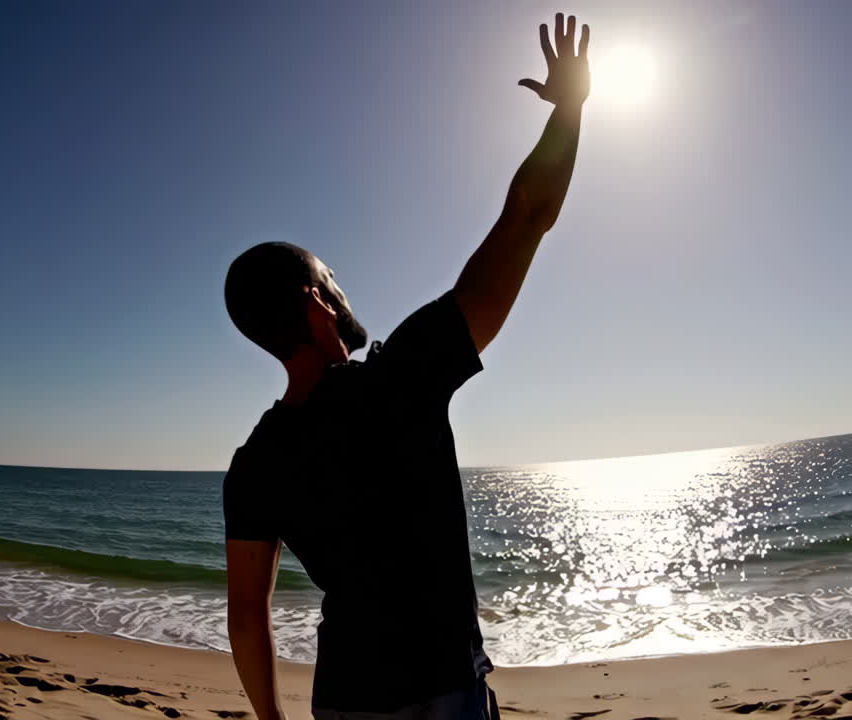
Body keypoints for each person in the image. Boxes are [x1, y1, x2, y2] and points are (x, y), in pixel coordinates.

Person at [222, 13, 590, 720]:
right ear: (315, 301)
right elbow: (527, 215)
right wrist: (570, 109)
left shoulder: (254, 463)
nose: (343, 290)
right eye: (333, 280)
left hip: (345, 699)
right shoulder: (403, 378)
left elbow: (246, 618)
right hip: (441, 694)